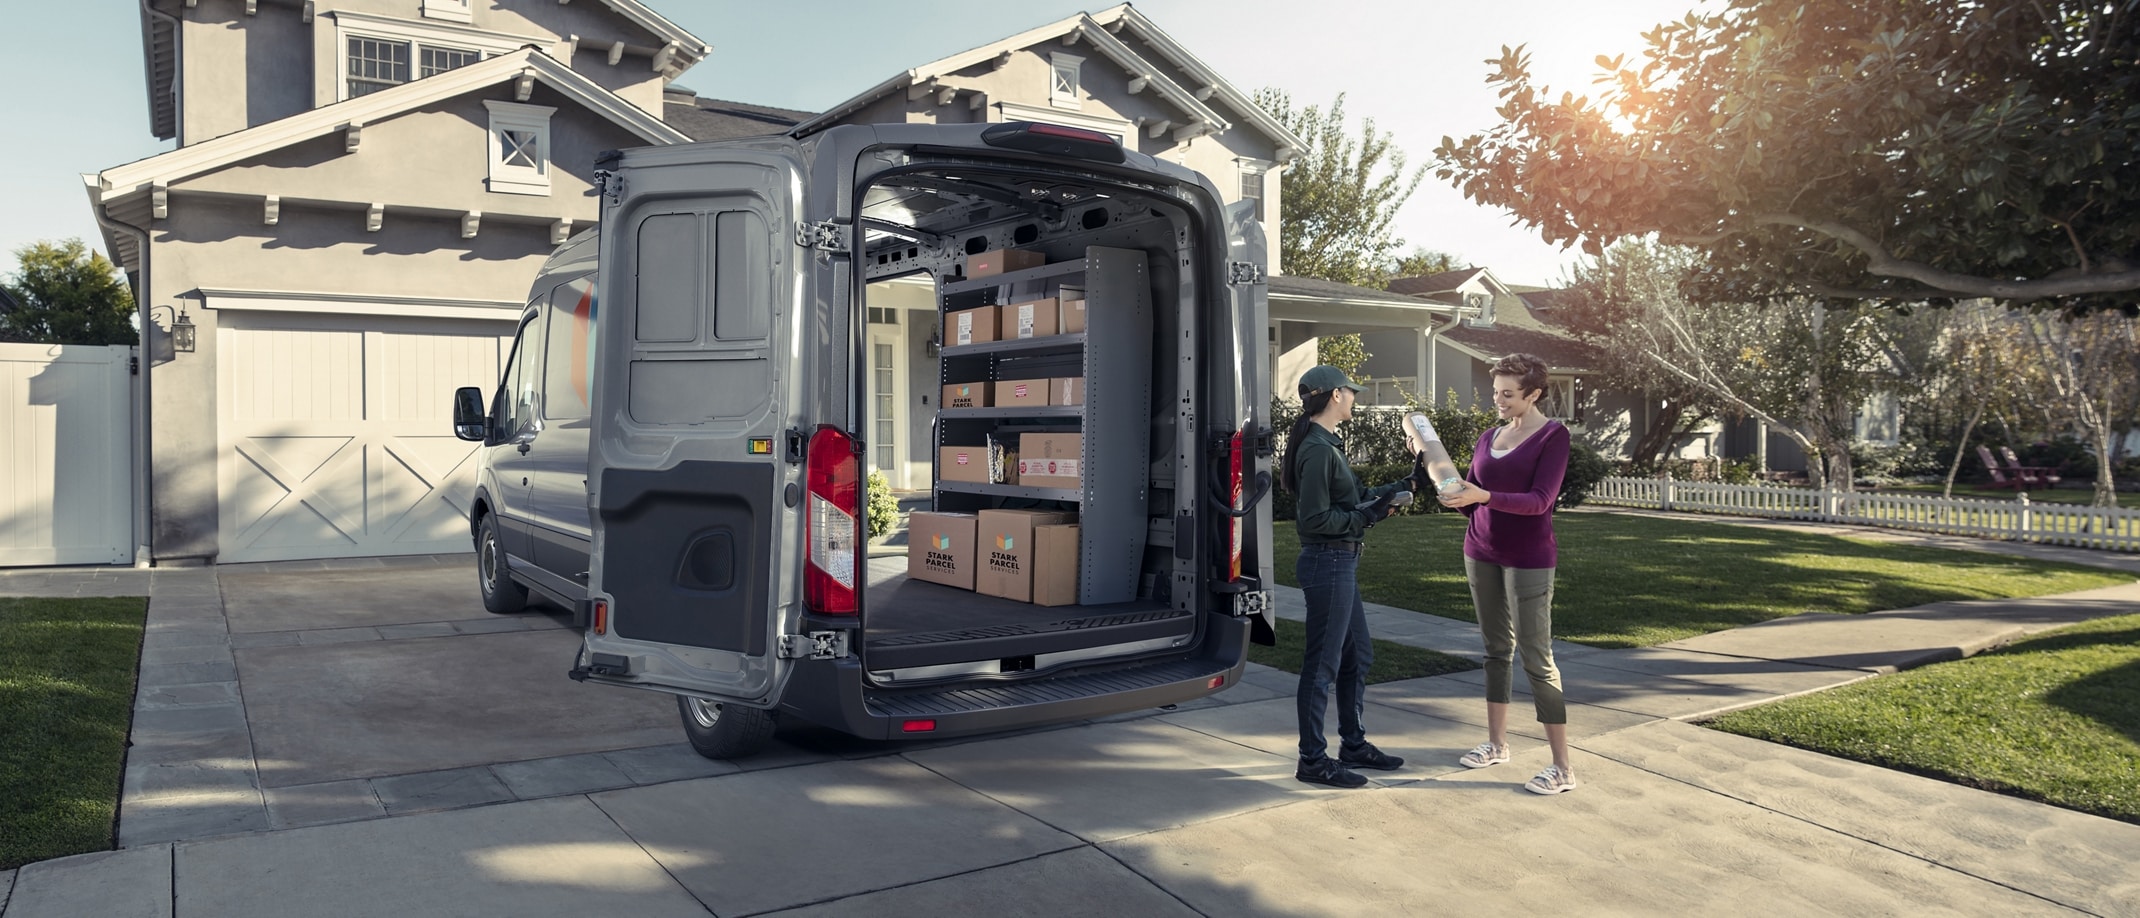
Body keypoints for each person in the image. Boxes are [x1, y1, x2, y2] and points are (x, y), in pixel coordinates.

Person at [1437, 353, 1578, 795]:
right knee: (1496, 650)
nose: (1497, 400)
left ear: (1534, 394)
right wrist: (1457, 495)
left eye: (1508, 394)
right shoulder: (1488, 436)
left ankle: (1562, 768)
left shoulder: (1553, 437)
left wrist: (1484, 494)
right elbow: (1477, 502)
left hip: (1529, 557)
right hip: (1480, 551)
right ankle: (1497, 744)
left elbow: (1540, 501)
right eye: (1495, 391)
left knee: (1537, 657)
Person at [1282, 365, 1415, 788]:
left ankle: (1353, 745)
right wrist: (1368, 517)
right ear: (1335, 395)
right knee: (1322, 665)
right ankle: (1312, 760)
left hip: (1340, 561)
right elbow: (1315, 518)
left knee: (1358, 657)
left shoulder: (1325, 443)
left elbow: (1354, 499)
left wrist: (1403, 484)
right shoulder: (1318, 449)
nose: (1355, 398)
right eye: (1351, 392)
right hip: (1327, 561)